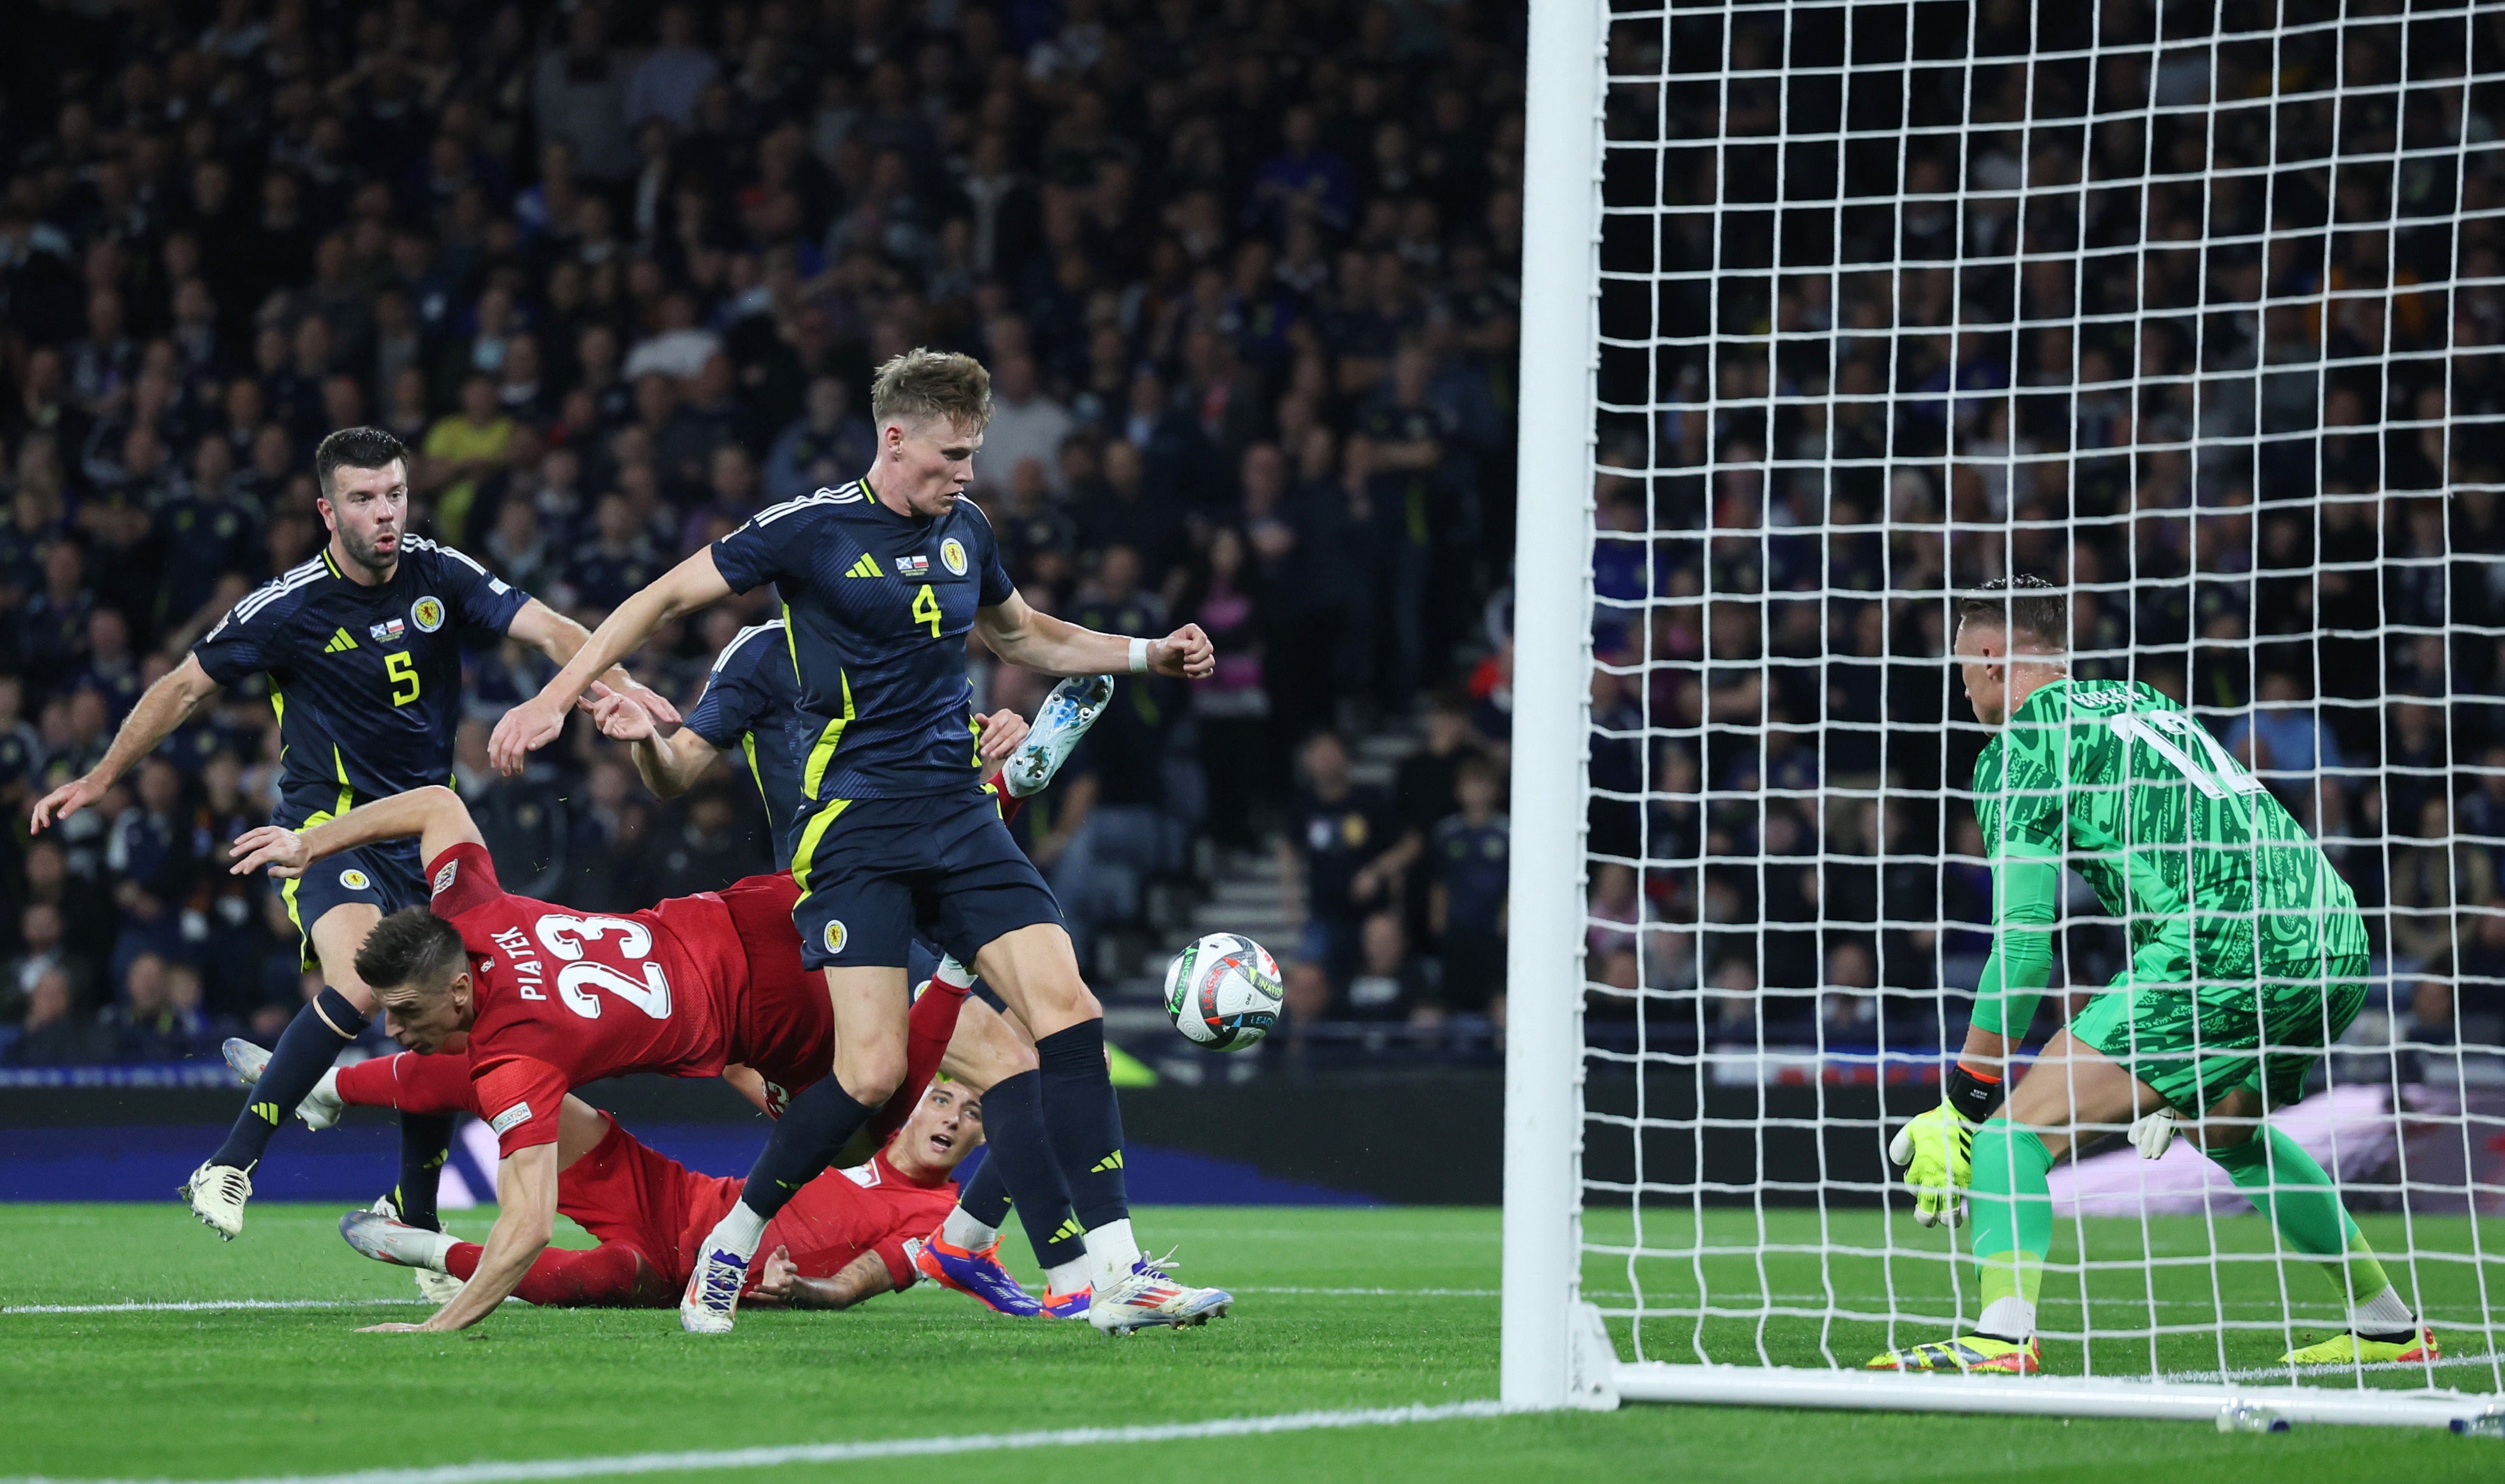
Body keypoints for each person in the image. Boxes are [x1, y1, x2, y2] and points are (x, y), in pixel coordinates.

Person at [486, 348, 1230, 1336]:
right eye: (952, 453)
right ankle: (737, 1234)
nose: (966, 472)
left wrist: (1148, 654)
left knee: (1068, 1008)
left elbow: (1024, 637)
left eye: (975, 453)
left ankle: (1115, 1268)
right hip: (856, 832)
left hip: (958, 813)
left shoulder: (968, 529)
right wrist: (554, 694)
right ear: (894, 437)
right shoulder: (808, 530)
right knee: (873, 1075)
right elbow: (660, 599)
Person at [26, 427, 678, 1242]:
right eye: (365, 499)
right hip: (327, 835)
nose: (385, 514)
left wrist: (621, 685)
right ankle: (231, 1161)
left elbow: (549, 628)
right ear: (326, 511)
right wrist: (101, 777)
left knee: (445, 1010)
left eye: (396, 495)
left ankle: (414, 1205)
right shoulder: (289, 604)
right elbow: (185, 685)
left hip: (425, 833)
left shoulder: (441, 573)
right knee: (372, 980)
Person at [1869, 576, 2429, 1375]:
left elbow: (2025, 945)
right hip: (2332, 930)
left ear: (1992, 658)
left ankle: (1999, 1338)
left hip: (2227, 939)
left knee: (2012, 1135)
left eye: (1960, 664)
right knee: (2227, 1128)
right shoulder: (2136, 702)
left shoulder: (2021, 747)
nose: (1959, 682)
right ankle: (2388, 1324)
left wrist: (1964, 1100)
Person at [223, 781, 992, 1333]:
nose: (392, 1027)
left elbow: (527, 1227)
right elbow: (438, 803)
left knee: (866, 1122)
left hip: (762, 1012)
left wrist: (439, 1327)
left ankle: (958, 964)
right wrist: (310, 842)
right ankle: (986, 799)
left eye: (405, 1011)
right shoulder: (468, 908)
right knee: (881, 887)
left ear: (460, 989)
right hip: (739, 909)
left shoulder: (516, 1058)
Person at [589, 616, 1114, 1318]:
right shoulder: (765, 650)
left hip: (919, 872)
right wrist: (646, 742)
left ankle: (1004, 1252)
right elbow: (676, 771)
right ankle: (1040, 1264)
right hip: (837, 891)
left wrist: (990, 745)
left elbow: (935, 775)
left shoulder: (909, 633)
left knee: (1027, 1055)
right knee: (968, 1075)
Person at [265, 1043, 986, 1315]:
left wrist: (809, 1291)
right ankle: (330, 1082)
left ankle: (419, 1245)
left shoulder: (938, 1212)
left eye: (973, 1110)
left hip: (684, 1270)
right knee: (517, 1079)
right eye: (943, 1096)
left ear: (984, 1134)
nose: (952, 1116)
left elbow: (863, 1277)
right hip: (670, 1192)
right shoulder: (850, 1124)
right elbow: (744, 1065)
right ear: (918, 1099)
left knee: (588, 1278)